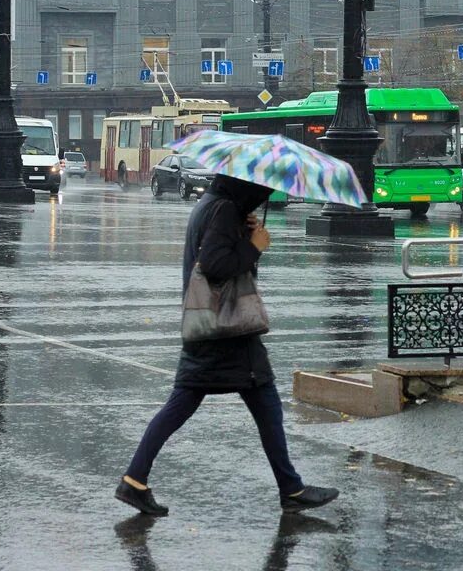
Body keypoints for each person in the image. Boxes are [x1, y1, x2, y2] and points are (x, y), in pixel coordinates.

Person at [116, 174, 339, 516]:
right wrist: (255, 245)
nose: (263, 195)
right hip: (228, 330)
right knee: (261, 403)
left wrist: (245, 235)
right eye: (260, 190)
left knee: (202, 404)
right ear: (244, 186)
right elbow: (217, 267)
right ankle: (291, 490)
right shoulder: (222, 210)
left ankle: (134, 480)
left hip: (211, 327)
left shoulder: (211, 205)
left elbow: (219, 260)